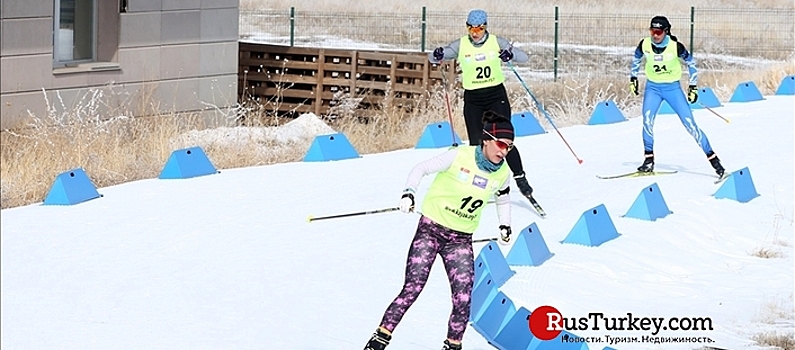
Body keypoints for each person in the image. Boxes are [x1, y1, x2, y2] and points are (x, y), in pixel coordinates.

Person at [362, 111, 516, 350]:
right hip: (430, 231)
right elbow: (420, 168)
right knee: (413, 287)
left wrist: (504, 224)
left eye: (509, 147)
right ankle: (379, 339)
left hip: (460, 240)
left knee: (463, 299)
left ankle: (453, 346)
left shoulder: (503, 173)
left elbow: (503, 198)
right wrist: (408, 193)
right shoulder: (458, 156)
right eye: (500, 144)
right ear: (486, 139)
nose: (503, 151)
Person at [428, 9, 538, 202]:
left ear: (485, 27)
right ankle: (482, 183)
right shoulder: (460, 45)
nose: (475, 33)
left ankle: (520, 178)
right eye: (471, 28)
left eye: (479, 28)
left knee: (503, 139)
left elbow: (524, 57)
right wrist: (436, 54)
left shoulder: (496, 42)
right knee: (477, 144)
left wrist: (509, 54)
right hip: (473, 99)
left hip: (496, 96)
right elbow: (434, 57)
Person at [629, 15, 726, 178]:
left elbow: (692, 63)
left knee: (690, 125)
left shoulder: (675, 47)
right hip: (652, 88)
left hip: (672, 89)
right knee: (647, 121)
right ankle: (648, 161)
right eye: (652, 31)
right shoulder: (644, 44)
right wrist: (633, 78)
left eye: (658, 32)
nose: (655, 35)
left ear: (666, 32)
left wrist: (693, 86)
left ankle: (715, 162)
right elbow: (636, 58)